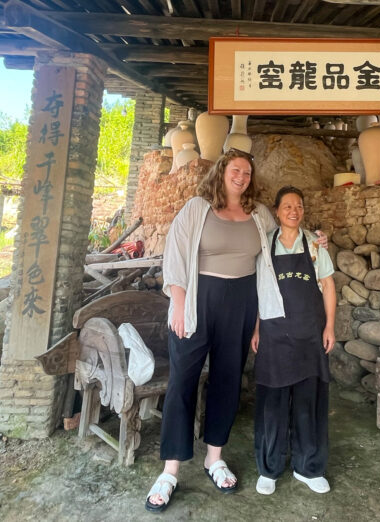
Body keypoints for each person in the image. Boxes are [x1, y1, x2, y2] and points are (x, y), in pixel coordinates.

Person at [145, 150, 326, 512]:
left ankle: (214, 457)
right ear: (222, 172)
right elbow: (176, 253)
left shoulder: (259, 214)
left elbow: (286, 240)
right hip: (198, 298)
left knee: (228, 378)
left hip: (242, 301)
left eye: (247, 172)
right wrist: (178, 302)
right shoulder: (198, 207)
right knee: (183, 379)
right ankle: (171, 470)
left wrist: (316, 240)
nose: (241, 176)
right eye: (235, 170)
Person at [250, 185, 336, 496]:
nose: (293, 210)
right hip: (273, 335)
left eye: (298, 205)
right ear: (276, 211)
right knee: (272, 404)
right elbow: (260, 291)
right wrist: (257, 329)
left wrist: (330, 327)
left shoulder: (315, 244)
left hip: (309, 335)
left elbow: (327, 286)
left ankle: (308, 467)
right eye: (287, 205)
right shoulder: (265, 247)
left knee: (307, 403)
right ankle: (269, 468)